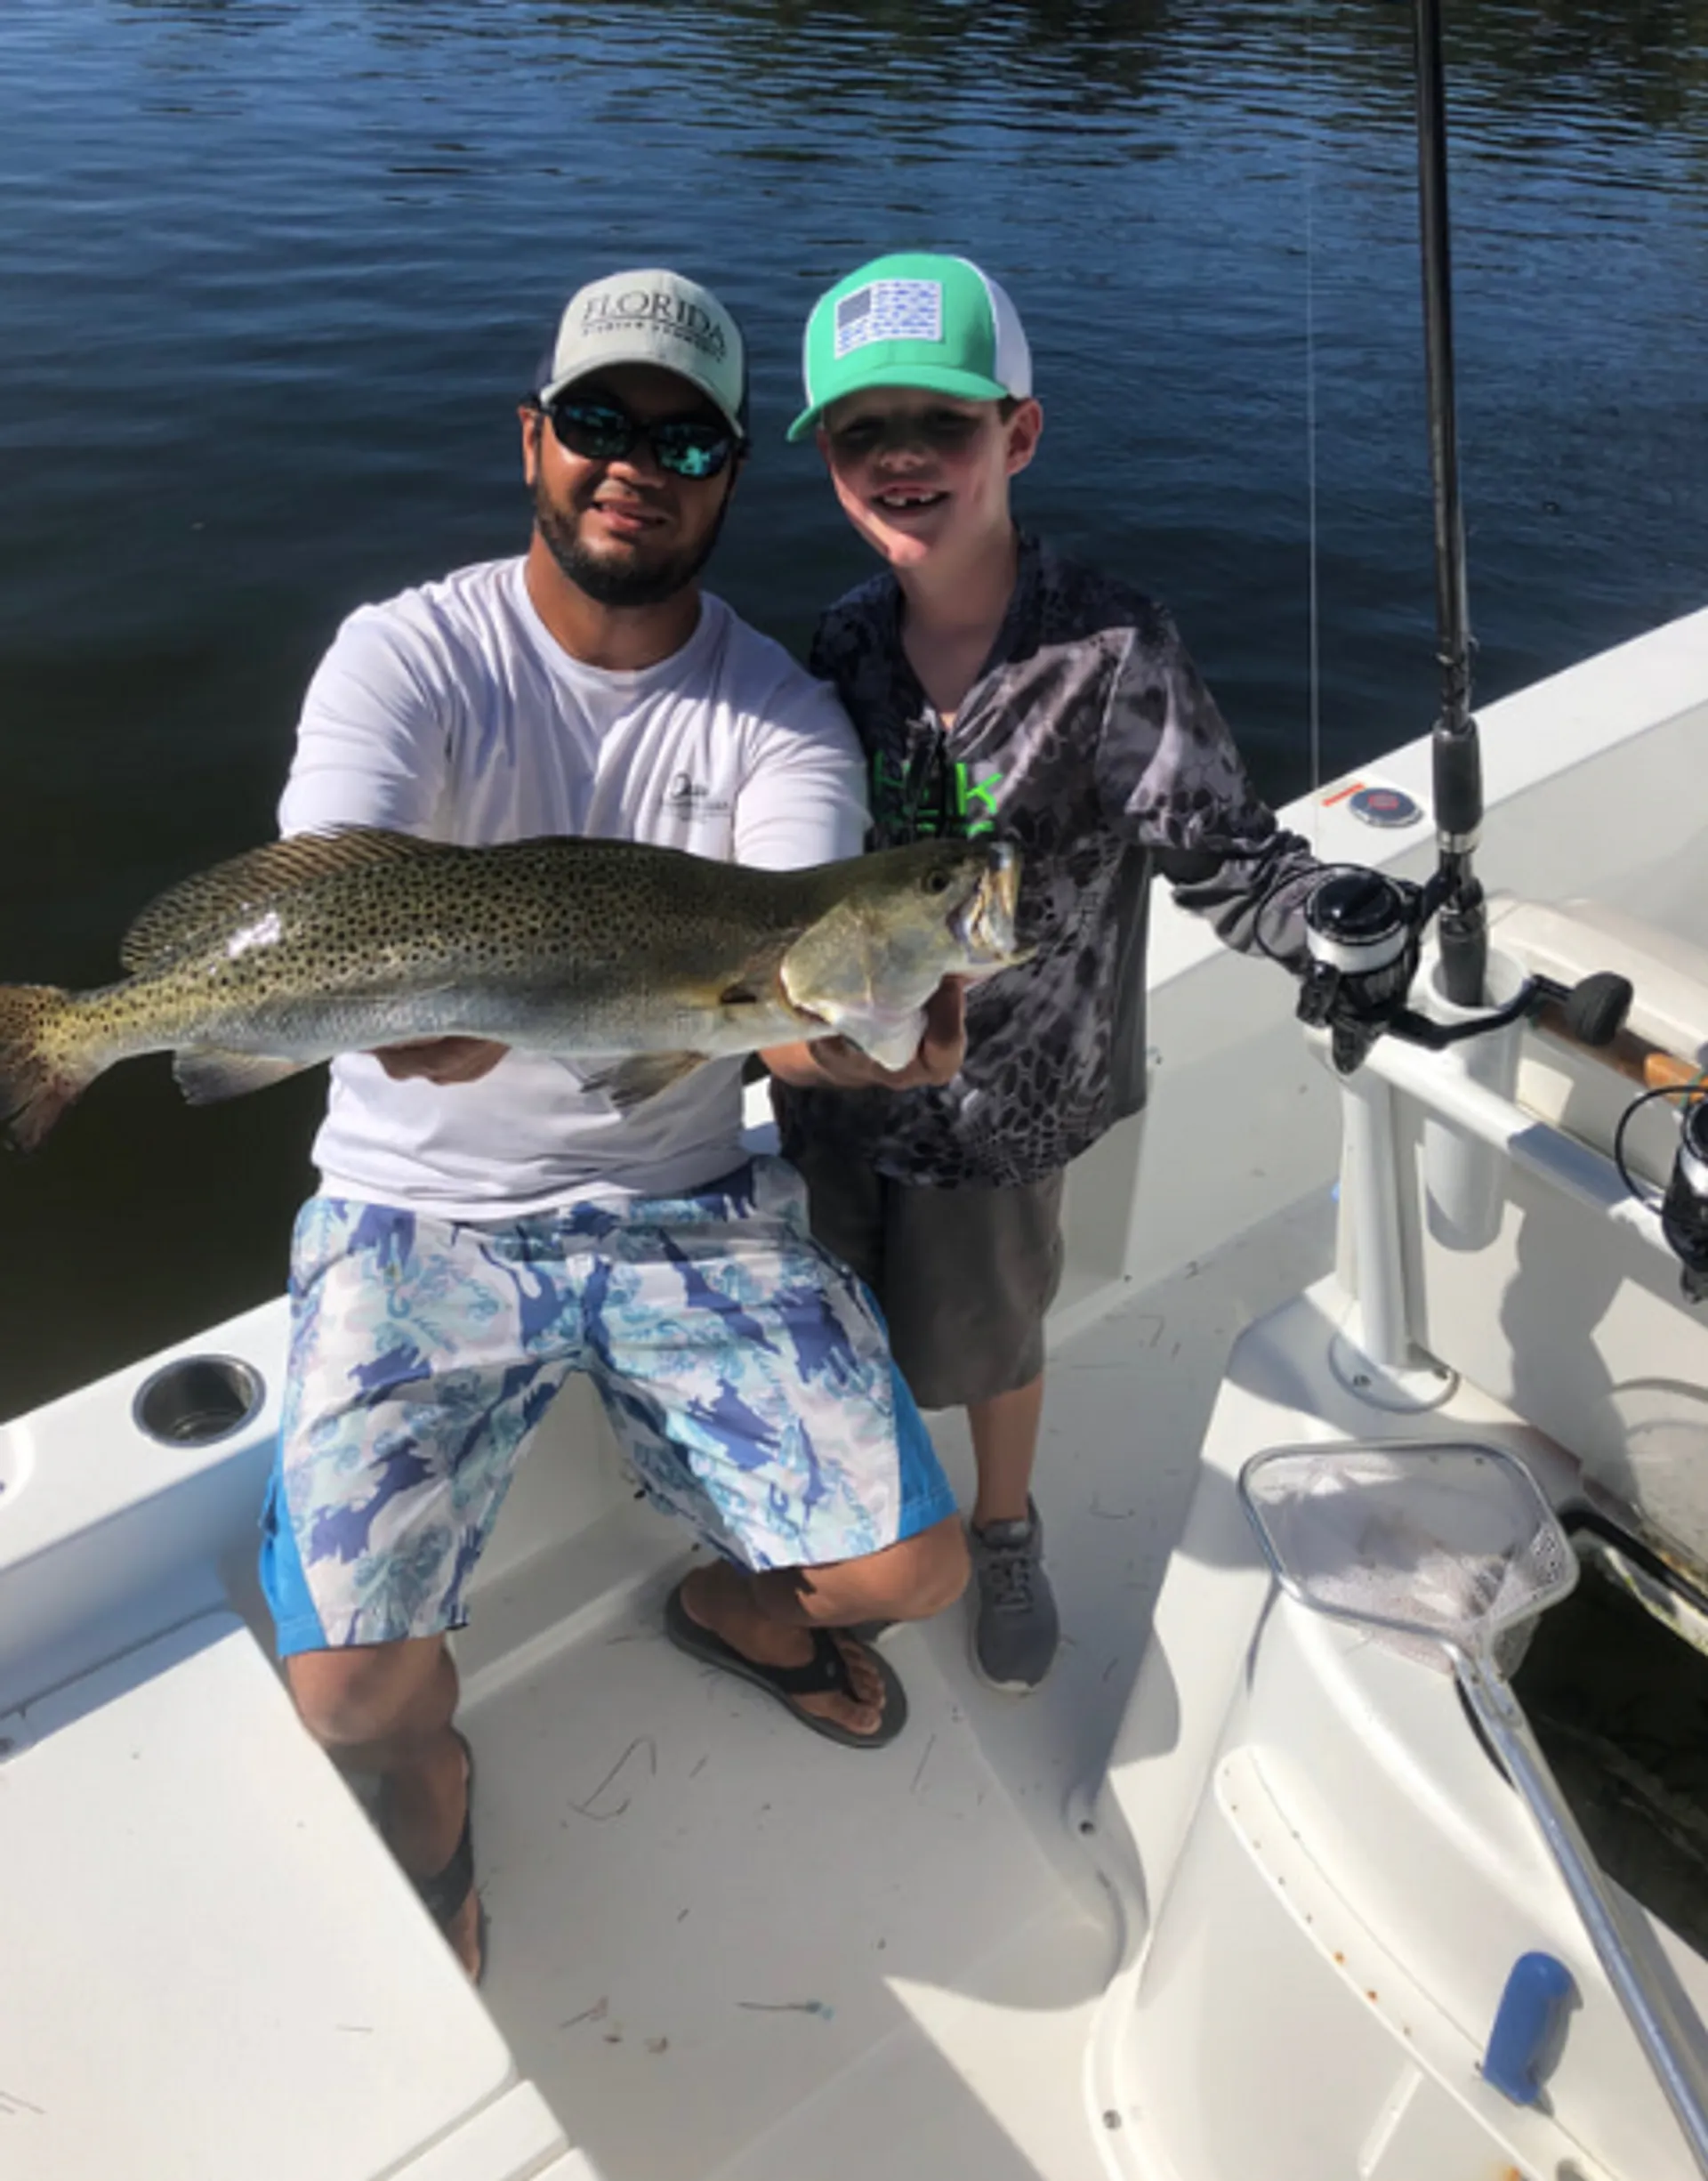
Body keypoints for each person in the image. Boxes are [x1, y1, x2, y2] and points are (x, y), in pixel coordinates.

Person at [261, 267, 971, 1983]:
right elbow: (327, 893)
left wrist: (848, 1047)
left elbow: (794, 982)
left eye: (683, 437)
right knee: (352, 1700)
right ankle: (439, 1808)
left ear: (729, 475)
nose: (631, 462)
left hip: (685, 1203)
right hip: (414, 1211)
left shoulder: (779, 715)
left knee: (914, 1570)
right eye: (598, 423)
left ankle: (730, 1607)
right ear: (535, 441)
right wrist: (391, 1018)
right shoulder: (405, 652)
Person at [768, 251, 1321, 1695]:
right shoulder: (836, 642)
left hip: (1008, 1110)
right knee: (842, 1302)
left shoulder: (1113, 649)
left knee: (995, 1337)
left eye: (939, 427)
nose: (899, 459)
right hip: (834, 1085)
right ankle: (866, 1508)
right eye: (857, 434)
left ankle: (1003, 1522)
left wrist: (1337, 931)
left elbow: (1230, 856)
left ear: (1017, 435)